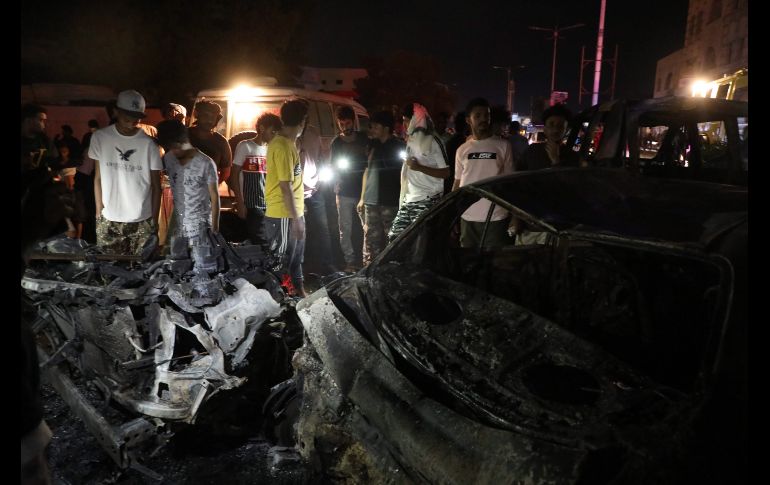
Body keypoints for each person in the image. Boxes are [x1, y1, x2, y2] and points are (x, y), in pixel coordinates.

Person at [90, 89, 162, 255]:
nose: (131, 122)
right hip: (109, 218)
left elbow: (157, 186)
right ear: (116, 111)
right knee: (109, 271)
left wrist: (153, 220)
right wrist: (98, 210)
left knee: (142, 273)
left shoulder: (149, 144)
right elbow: (98, 178)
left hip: (142, 220)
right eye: (127, 116)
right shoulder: (100, 138)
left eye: (137, 118)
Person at [156, 120, 220, 273]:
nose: (174, 151)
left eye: (176, 147)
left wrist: (215, 227)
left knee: (204, 268)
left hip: (201, 224)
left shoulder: (206, 163)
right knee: (177, 266)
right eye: (170, 148)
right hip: (177, 223)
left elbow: (215, 197)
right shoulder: (169, 158)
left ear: (183, 141)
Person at [452, 97, 514, 248]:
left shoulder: (503, 146)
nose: (483, 119)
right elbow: (458, 183)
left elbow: (511, 183)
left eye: (486, 115)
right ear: (468, 120)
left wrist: (514, 216)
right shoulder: (462, 150)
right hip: (467, 216)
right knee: (469, 262)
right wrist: (452, 214)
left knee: (495, 263)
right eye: (478, 116)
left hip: (496, 216)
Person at [264, 100, 309, 297]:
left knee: (296, 258)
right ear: (303, 121)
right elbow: (285, 186)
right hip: (283, 214)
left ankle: (298, 292)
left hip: (293, 212)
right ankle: (278, 301)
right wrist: (296, 219)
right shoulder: (282, 146)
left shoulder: (289, 144)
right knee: (281, 261)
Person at [388, 102, 449, 241]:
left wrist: (419, 167)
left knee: (421, 244)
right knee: (395, 239)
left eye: (407, 120)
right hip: (409, 199)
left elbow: (446, 172)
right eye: (403, 121)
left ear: (417, 119)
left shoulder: (434, 141)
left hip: (427, 199)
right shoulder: (410, 139)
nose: (404, 124)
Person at [357, 110, 404, 265]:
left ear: (385, 127)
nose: (372, 129)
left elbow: (404, 175)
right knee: (371, 241)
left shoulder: (398, 146)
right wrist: (362, 198)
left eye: (376, 126)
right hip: (371, 201)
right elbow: (366, 171)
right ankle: (368, 273)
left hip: (390, 201)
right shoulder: (372, 145)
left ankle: (391, 272)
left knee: (393, 240)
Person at [230, 112, 282, 247]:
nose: (274, 136)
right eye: (273, 132)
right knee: (261, 240)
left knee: (269, 239)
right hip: (252, 203)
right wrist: (240, 202)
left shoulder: (270, 149)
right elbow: (234, 174)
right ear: (262, 128)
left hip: (268, 203)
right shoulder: (245, 146)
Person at [330, 106, 369, 272]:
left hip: (363, 191)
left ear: (353, 122)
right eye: (341, 124)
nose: (345, 127)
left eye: (347, 123)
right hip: (344, 191)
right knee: (344, 229)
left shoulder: (363, 139)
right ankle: (350, 261)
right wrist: (336, 186)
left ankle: (367, 260)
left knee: (367, 227)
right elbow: (332, 166)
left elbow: (370, 161)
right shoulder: (336, 143)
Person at [299, 121, 338, 275]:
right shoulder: (287, 134)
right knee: (298, 230)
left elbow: (323, 155)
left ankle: (327, 264)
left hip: (314, 188)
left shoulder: (313, 132)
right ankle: (298, 267)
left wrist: (321, 180)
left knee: (323, 228)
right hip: (295, 191)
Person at [518, 103, 578, 171]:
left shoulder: (572, 156)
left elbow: (570, 180)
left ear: (566, 130)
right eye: (551, 124)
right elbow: (518, 175)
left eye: (560, 126)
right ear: (544, 129)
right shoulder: (532, 151)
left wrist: (556, 161)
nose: (555, 130)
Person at [189, 100, 232, 186]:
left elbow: (226, 172)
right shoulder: (183, 136)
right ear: (197, 115)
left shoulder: (221, 142)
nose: (209, 120)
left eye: (213, 117)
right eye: (206, 116)